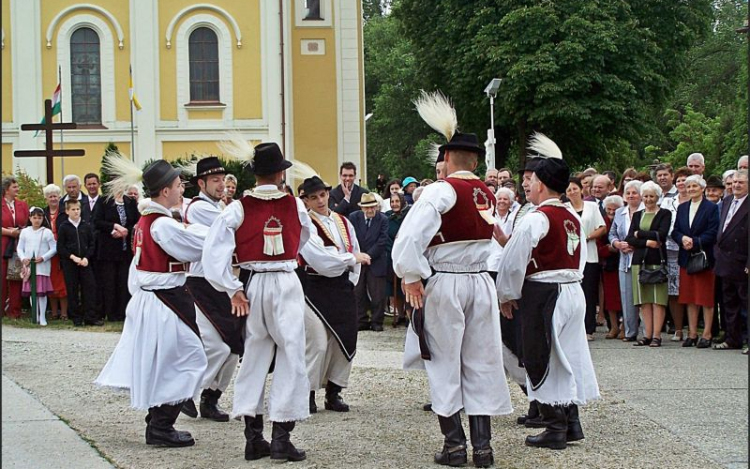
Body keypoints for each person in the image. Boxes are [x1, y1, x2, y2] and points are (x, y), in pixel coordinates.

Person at [396, 90, 512, 467]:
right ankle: (484, 448)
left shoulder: (440, 191)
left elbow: (410, 238)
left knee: (445, 361)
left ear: (445, 158)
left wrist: (411, 275)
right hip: (480, 282)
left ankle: (454, 446)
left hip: (446, 281)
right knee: (482, 359)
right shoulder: (487, 192)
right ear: (476, 161)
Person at [202, 139, 327, 462]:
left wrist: (233, 288)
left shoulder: (238, 207)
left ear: (255, 174)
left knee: (255, 356)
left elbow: (213, 255)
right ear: (279, 173)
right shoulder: (294, 205)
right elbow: (303, 239)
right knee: (291, 354)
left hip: (254, 283)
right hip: (285, 281)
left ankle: (253, 437)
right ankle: (282, 436)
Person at [96, 156, 208, 448]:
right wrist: (223, 233)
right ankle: (161, 425)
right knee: (190, 359)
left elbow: (138, 267)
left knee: (167, 361)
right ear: (165, 191)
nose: (181, 189)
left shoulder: (147, 222)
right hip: (165, 301)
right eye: (177, 185)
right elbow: (197, 248)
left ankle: (159, 421)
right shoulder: (162, 225)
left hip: (156, 299)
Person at [497, 134, 600, 451]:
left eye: (534, 180)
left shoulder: (537, 218)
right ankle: (570, 422)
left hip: (545, 293)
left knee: (542, 355)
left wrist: (506, 294)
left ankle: (555, 426)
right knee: (569, 353)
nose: (530, 186)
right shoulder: (571, 215)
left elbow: (514, 261)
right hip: (573, 289)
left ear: (541, 184)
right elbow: (580, 256)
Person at [297, 176, 371, 414]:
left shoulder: (342, 221)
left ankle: (334, 390)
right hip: (314, 288)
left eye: (322, 195)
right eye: (313, 197)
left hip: (341, 286)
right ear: (305, 200)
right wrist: (349, 260)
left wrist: (350, 276)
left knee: (346, 338)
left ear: (329, 194)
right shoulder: (305, 224)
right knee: (317, 342)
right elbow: (320, 260)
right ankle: (307, 392)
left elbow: (355, 249)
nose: (319, 200)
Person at [179, 156, 244, 423]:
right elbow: (233, 228)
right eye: (215, 181)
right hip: (200, 285)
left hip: (217, 284)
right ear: (201, 183)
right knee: (217, 347)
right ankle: (185, 393)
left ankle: (211, 398)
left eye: (222, 180)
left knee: (233, 348)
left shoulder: (218, 206)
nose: (221, 185)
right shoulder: (198, 209)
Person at [671, 175, 719, 349]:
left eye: (694, 186)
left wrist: (696, 242)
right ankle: (692, 333)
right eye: (688, 186)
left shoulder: (711, 208)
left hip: (704, 258)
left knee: (705, 299)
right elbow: (675, 230)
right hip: (686, 257)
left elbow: (714, 231)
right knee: (690, 298)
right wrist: (682, 238)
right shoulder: (683, 208)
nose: (691, 189)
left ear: (702, 188)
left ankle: (706, 334)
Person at [625, 181, 672, 347]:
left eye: (652, 196)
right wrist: (647, 242)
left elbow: (661, 234)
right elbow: (630, 238)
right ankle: (647, 334)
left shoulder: (665, 214)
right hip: (640, 260)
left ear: (657, 197)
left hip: (657, 261)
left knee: (658, 299)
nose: (648, 199)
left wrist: (640, 234)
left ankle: (657, 336)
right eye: (645, 196)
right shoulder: (638, 215)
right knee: (644, 300)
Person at [565, 177, 606, 341]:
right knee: (573, 293)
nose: (572, 192)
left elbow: (602, 227)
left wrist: (587, 237)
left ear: (581, 189)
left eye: (575, 188)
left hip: (589, 255)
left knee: (589, 292)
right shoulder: (565, 208)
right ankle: (573, 328)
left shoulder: (592, 206)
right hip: (571, 256)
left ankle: (588, 328)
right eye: (569, 190)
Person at [713, 170, 749, 351]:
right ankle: (732, 338)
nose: (736, 185)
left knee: (746, 303)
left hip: (742, 261)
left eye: (741, 182)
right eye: (734, 182)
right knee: (729, 302)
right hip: (725, 261)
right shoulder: (726, 201)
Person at [92, 187, 140, 322]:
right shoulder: (104, 201)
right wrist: (113, 227)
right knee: (109, 282)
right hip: (108, 249)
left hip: (125, 250)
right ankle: (111, 313)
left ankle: (123, 312)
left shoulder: (129, 202)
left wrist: (125, 231)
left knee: (123, 281)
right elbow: (97, 221)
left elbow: (135, 222)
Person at [56, 199, 101, 327]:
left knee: (89, 288)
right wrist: (72, 257)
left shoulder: (85, 225)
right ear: (67, 211)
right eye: (73, 209)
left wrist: (86, 258)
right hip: (70, 263)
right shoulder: (64, 227)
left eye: (78, 209)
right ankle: (76, 317)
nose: (76, 212)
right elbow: (61, 247)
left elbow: (92, 244)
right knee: (72, 289)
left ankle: (90, 316)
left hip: (85, 262)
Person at [609, 180, 644, 341]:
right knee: (626, 296)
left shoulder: (646, 211)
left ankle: (646, 332)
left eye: (634, 192)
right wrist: (617, 244)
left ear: (641, 195)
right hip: (624, 260)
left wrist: (635, 244)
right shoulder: (619, 212)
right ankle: (630, 332)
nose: (631, 195)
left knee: (644, 297)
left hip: (642, 259)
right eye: (628, 193)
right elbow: (612, 233)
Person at [349, 193, 389, 331]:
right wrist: (359, 256)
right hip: (358, 261)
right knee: (358, 292)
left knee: (378, 294)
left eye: (372, 207)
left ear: (376, 207)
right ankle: (361, 320)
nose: (370, 210)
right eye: (367, 208)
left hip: (376, 260)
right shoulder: (354, 218)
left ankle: (377, 321)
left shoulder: (383, 219)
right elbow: (351, 238)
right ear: (362, 209)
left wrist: (368, 256)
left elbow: (382, 241)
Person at [661, 166, 692, 341]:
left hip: (691, 251)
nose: (681, 183)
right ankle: (678, 328)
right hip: (670, 250)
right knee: (673, 292)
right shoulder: (667, 201)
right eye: (679, 180)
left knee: (690, 291)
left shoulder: (698, 201)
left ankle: (693, 328)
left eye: (685, 180)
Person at [17, 207, 56, 325]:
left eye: (39, 218)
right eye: (34, 218)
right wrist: (23, 258)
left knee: (41, 293)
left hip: (42, 267)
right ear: (30, 218)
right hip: (29, 267)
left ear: (43, 218)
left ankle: (43, 316)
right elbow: (19, 247)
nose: (37, 220)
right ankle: (35, 314)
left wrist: (43, 257)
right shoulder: (25, 231)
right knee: (32, 292)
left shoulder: (47, 232)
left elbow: (54, 248)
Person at [2, 176, 29, 318]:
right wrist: (10, 232)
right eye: (15, 187)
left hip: (18, 245)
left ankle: (15, 311)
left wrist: (19, 232)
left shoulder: (22, 205)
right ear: (6, 190)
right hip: (3, 244)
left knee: (16, 276)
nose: (17, 189)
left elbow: (28, 223)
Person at [42, 184, 68, 320]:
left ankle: (64, 313)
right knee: (50, 281)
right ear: (46, 198)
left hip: (62, 252)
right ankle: (53, 312)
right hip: (47, 253)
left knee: (62, 282)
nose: (53, 199)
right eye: (50, 196)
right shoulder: (42, 213)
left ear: (59, 197)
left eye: (55, 196)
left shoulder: (64, 212)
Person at [599, 195, 624, 339]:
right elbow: (598, 246)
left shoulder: (625, 220)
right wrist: (608, 249)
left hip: (624, 259)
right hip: (608, 263)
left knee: (625, 297)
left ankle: (625, 327)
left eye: (615, 210)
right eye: (609, 209)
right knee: (610, 297)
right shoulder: (602, 223)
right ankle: (613, 326)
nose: (612, 212)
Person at [385, 191, 409, 326]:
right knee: (395, 289)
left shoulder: (409, 215)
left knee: (406, 285)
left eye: (396, 201)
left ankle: (408, 313)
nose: (394, 204)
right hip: (392, 255)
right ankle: (400, 314)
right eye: (392, 202)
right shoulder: (388, 217)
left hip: (406, 254)